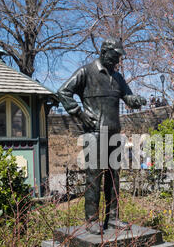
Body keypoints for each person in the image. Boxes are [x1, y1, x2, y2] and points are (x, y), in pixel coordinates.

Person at [57, 37, 146, 234]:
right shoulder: (86, 72)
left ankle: (113, 218)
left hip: (114, 133)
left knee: (113, 178)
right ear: (104, 52)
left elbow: (127, 97)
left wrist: (135, 100)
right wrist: (79, 113)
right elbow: (63, 92)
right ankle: (91, 220)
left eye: (119, 58)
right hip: (95, 133)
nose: (118, 61)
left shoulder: (118, 77)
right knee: (94, 177)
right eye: (115, 57)